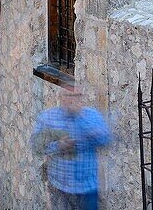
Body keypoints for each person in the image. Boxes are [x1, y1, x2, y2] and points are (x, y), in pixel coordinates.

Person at [32, 82, 112, 210]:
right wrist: (58, 146)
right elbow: (37, 146)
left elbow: (106, 139)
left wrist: (82, 120)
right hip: (60, 186)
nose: (74, 99)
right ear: (61, 97)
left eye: (78, 95)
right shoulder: (48, 118)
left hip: (88, 186)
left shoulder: (92, 115)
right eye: (69, 95)